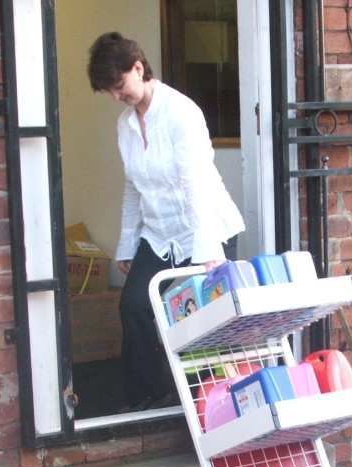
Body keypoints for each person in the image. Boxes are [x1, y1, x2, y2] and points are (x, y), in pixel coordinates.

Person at [87, 32, 245, 412]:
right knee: (134, 306)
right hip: (159, 236)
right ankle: (152, 396)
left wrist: (207, 250)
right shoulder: (126, 125)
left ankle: (209, 406)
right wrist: (127, 244)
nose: (115, 96)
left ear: (138, 68)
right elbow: (132, 187)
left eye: (118, 85)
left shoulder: (181, 112)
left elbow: (195, 185)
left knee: (199, 322)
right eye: (108, 90)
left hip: (205, 230)